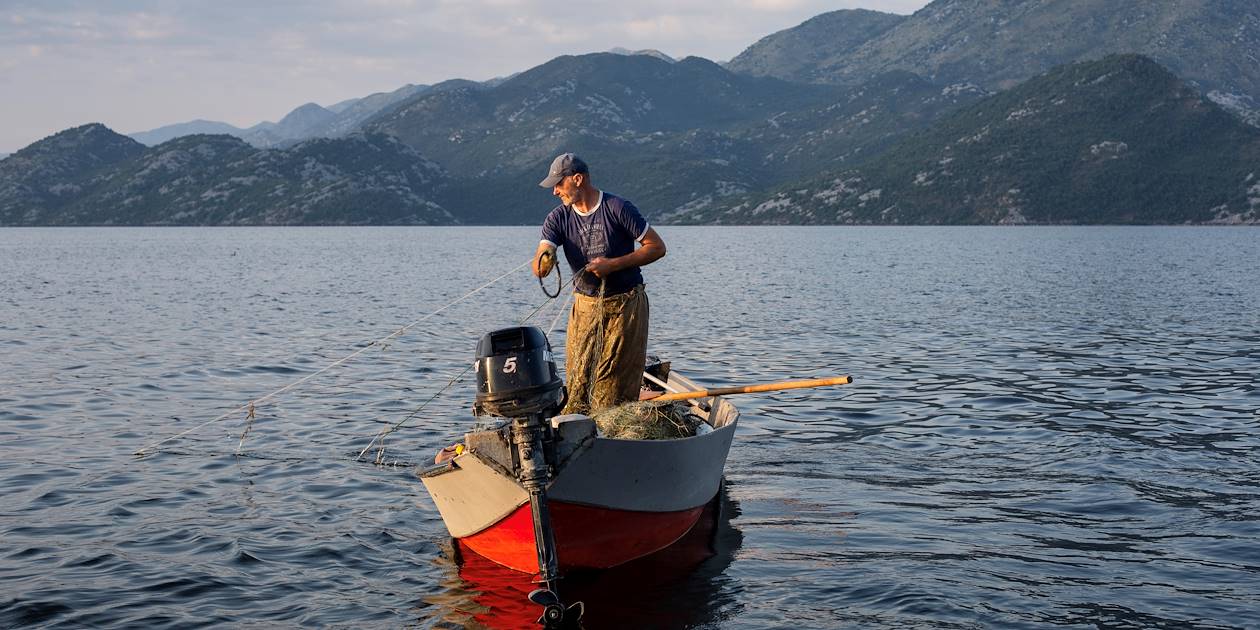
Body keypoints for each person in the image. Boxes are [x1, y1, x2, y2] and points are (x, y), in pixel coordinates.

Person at [531, 153, 667, 416]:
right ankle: (577, 435)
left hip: (625, 306)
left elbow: (657, 247)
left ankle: (610, 434)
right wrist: (543, 264)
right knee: (578, 379)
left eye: (559, 185)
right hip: (585, 306)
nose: (555, 191)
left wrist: (612, 264)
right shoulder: (557, 219)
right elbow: (541, 258)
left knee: (611, 386)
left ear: (578, 179)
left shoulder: (617, 208)